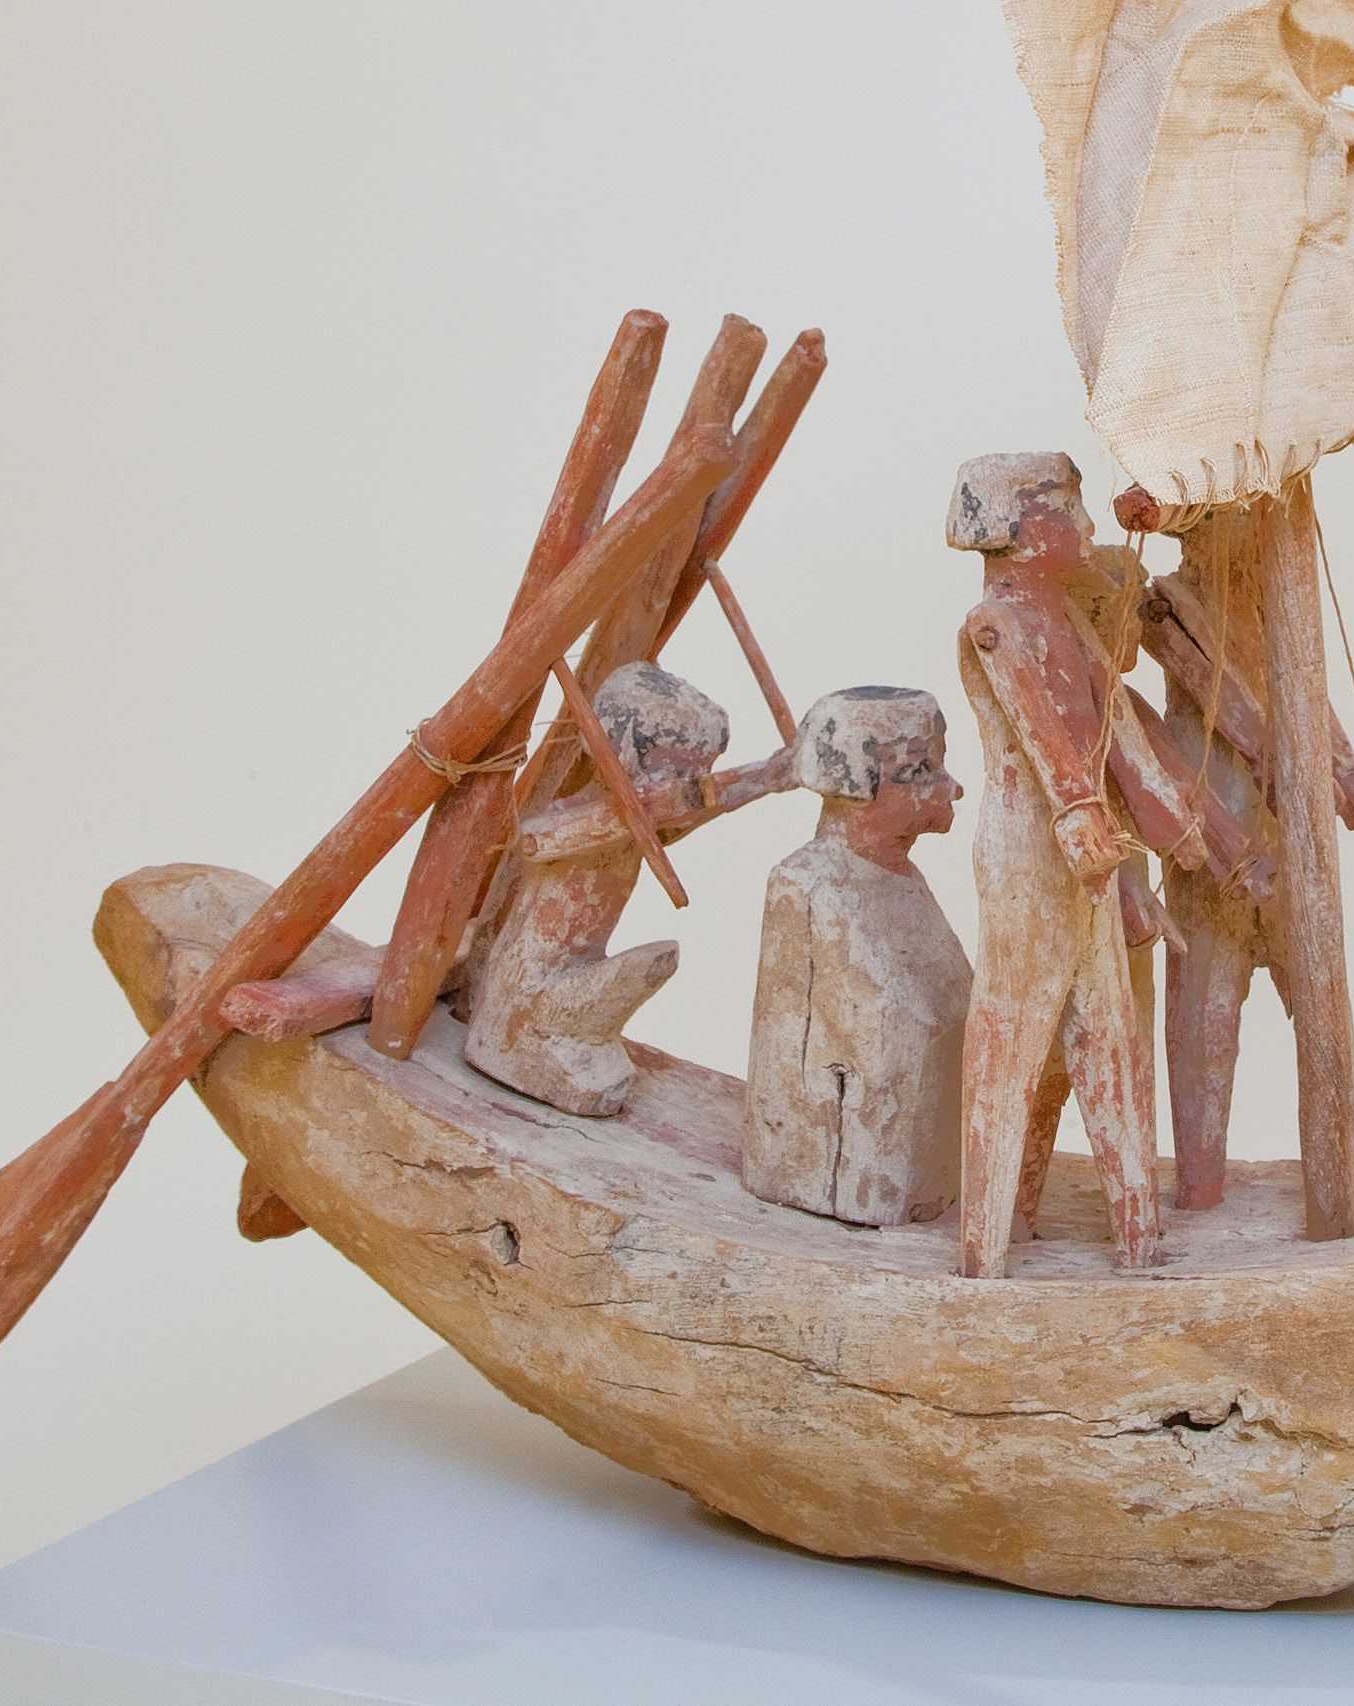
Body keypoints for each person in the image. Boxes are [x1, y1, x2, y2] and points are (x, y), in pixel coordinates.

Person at [944, 452, 1231, 1275]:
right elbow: (1042, 734)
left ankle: (1138, 1239)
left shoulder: (1062, 615)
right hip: (1031, 852)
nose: (1086, 525)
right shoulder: (997, 624)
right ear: (1024, 528)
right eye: (1069, 510)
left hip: (1089, 853)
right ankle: (983, 1248)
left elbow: (1117, 731)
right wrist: (1077, 813)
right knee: (1013, 1033)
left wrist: (1170, 828)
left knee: (1107, 1032)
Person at [741, 687, 973, 1226]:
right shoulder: (806, 886)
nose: (953, 788)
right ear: (853, 788)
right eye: (920, 771)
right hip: (841, 1177)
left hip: (909, 1177)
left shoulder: (901, 879)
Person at [459, 661, 727, 1117]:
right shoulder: (573, 822)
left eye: (701, 772)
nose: (689, 788)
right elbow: (540, 838)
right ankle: (529, 1041)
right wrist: (632, 818)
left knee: (656, 962)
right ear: (621, 750)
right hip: (533, 992)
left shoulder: (641, 826)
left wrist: (770, 778)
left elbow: (703, 805)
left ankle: (572, 1038)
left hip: (574, 979)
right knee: (656, 960)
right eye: (680, 771)